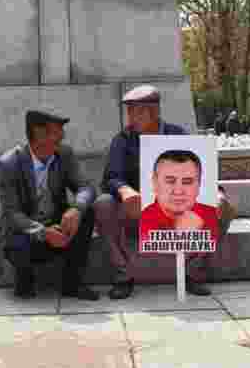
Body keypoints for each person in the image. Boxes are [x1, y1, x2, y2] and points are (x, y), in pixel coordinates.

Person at [94, 84, 236, 299]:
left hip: (178, 208)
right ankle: (123, 275)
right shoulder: (123, 139)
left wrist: (218, 194)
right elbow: (111, 177)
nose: (130, 118)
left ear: (154, 111)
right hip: (138, 209)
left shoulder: (177, 134)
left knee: (223, 207)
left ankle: (193, 272)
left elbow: (202, 171)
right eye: (129, 111)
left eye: (137, 111)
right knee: (103, 204)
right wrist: (125, 190)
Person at [0, 110, 99, 300]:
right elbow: (12, 214)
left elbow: (86, 187)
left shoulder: (64, 154)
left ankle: (72, 283)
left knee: (87, 213)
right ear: (39, 134)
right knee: (17, 240)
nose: (63, 135)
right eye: (57, 131)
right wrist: (43, 232)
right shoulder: (9, 163)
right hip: (26, 232)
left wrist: (76, 209)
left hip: (57, 226)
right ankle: (25, 278)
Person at [139, 149, 221, 243]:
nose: (178, 191)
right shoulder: (140, 222)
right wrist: (183, 237)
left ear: (199, 185)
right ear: (154, 183)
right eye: (170, 181)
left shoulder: (215, 216)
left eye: (187, 182)